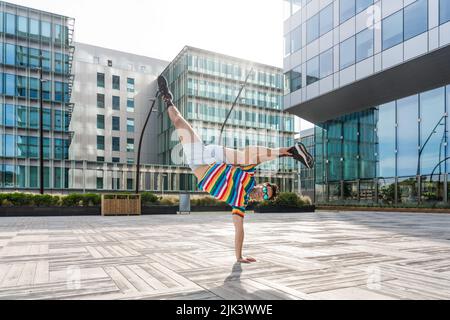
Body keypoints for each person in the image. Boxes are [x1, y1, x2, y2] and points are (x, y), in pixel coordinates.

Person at [157, 76, 314, 264]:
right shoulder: (249, 178)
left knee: (178, 123)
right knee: (246, 158)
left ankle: (167, 98)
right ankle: (288, 152)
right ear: (262, 184)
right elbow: (255, 158)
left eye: (265, 196)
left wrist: (239, 257)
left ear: (262, 200)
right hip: (219, 159)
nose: (261, 193)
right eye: (264, 189)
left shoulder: (241, 203)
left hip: (201, 161)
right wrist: (278, 153)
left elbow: (239, 230)